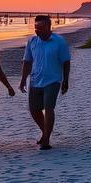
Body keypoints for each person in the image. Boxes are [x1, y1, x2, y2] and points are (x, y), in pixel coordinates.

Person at [19, 15, 71, 150]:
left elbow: (66, 62)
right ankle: (45, 132)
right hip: (35, 80)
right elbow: (27, 61)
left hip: (53, 80)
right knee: (34, 109)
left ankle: (46, 140)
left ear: (49, 27)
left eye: (41, 28)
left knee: (48, 108)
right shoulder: (32, 41)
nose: (38, 31)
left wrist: (65, 80)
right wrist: (23, 79)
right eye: (36, 28)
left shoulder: (59, 42)